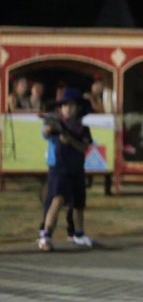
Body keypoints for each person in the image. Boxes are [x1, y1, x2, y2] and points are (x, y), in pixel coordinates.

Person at [38, 88, 94, 251]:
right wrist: (50, 129)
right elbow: (46, 132)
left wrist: (70, 139)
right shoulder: (57, 124)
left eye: (73, 106)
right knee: (57, 200)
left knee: (78, 204)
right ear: (60, 108)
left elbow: (84, 148)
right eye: (65, 105)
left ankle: (79, 234)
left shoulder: (83, 129)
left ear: (79, 109)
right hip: (59, 169)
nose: (69, 109)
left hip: (77, 169)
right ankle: (46, 235)